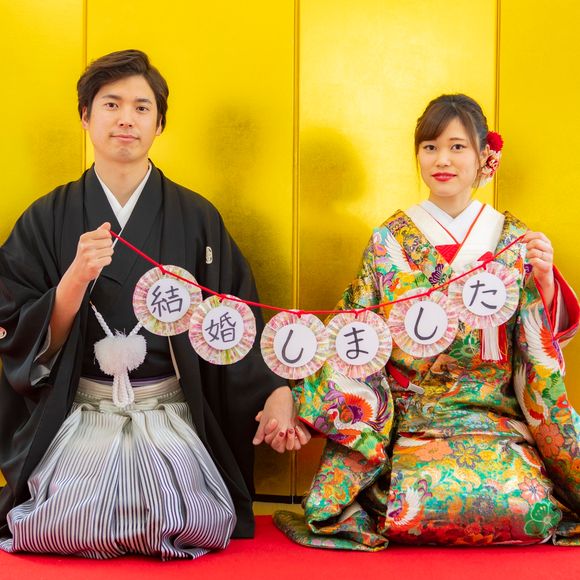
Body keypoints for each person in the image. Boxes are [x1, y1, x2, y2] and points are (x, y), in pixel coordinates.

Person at [0, 49, 308, 560]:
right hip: (81, 413)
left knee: (186, 521)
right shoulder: (47, 217)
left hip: (170, 415)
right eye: (111, 104)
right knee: (64, 525)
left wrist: (275, 391)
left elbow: (235, 322)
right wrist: (74, 279)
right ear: (85, 116)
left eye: (142, 108)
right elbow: (15, 330)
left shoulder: (196, 217)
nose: (126, 119)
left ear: (159, 123)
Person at [275, 94, 580, 549]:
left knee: (521, 505)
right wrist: (303, 401)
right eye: (430, 147)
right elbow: (354, 333)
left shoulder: (514, 241)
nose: (442, 160)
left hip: (493, 417)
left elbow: (536, 349)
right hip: (411, 419)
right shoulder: (388, 241)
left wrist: (546, 283)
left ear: (484, 156)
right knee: (420, 498)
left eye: (457, 147)